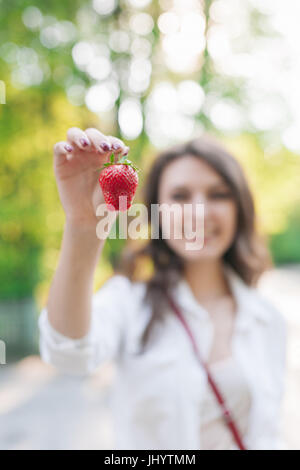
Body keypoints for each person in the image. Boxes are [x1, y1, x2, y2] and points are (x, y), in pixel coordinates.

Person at [38, 127, 288, 450]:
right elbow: (67, 353)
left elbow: (268, 434)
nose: (198, 211)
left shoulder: (267, 319)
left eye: (218, 194)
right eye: (180, 196)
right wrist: (84, 227)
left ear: (240, 209)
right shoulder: (129, 302)